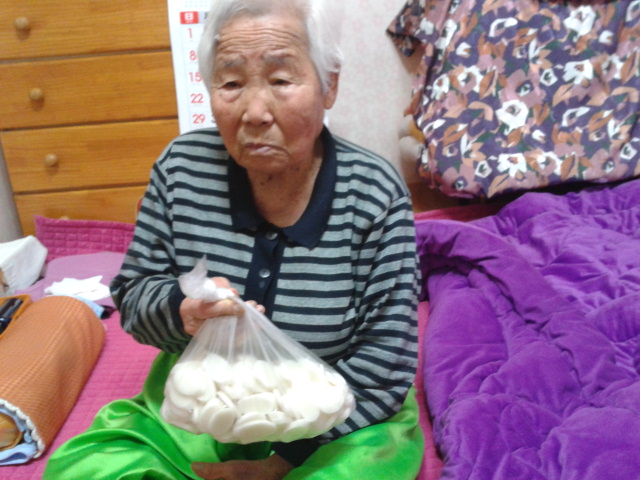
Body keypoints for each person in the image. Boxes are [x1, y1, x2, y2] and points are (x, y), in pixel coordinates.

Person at [43, 0, 423, 478]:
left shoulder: (374, 193)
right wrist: (183, 310)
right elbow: (135, 297)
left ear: (330, 85)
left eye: (281, 80)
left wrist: (284, 463)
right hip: (203, 407)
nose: (254, 112)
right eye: (231, 83)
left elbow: (386, 359)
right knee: (87, 468)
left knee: (373, 462)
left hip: (332, 415)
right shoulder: (181, 169)